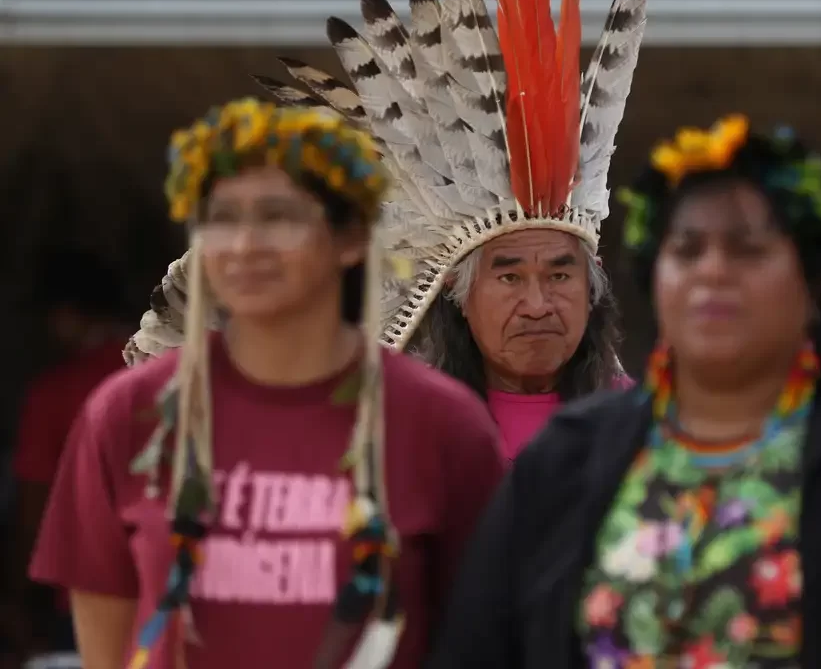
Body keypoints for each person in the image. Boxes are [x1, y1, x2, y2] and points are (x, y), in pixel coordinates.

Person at [427, 115, 821, 667]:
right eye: (686, 250)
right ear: (654, 276)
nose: (713, 270)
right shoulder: (568, 460)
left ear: (812, 282)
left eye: (748, 249)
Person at [121, 0, 653, 461]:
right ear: (455, 290)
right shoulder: (383, 419)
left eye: (560, 274)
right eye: (509, 276)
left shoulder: (642, 432)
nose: (539, 304)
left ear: (594, 289)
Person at [30, 99, 505, 669]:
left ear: (352, 237)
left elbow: (483, 640)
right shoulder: (129, 413)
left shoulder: (443, 424)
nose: (245, 244)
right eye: (222, 218)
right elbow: (107, 651)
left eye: (279, 217)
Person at [4, 248, 130, 664]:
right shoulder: (171, 374)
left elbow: (33, 509)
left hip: (83, 598)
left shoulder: (55, 393)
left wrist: (16, 603)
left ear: (68, 313)